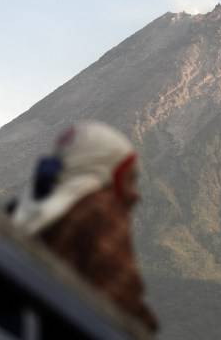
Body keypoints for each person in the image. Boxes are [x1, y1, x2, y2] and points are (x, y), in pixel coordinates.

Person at [11, 120, 158, 332]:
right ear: (105, 171)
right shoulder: (101, 212)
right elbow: (122, 300)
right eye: (128, 178)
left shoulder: (26, 209)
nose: (135, 194)